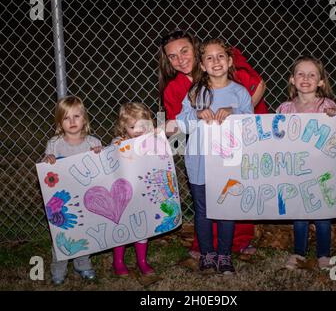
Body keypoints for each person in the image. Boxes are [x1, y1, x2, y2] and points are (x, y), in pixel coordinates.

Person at [159, 29, 267, 257]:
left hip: (234, 143)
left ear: (196, 50)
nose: (180, 60)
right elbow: (177, 125)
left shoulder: (220, 62)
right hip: (204, 150)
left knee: (232, 192)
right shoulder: (177, 89)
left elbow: (258, 85)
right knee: (205, 201)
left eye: (184, 51)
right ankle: (206, 246)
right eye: (173, 56)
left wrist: (232, 116)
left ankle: (238, 240)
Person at [176, 38, 254, 274]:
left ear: (230, 61)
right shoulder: (195, 93)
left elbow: (251, 125)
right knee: (203, 210)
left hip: (228, 164)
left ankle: (224, 254)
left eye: (220, 56)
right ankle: (208, 253)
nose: (215, 61)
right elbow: (181, 124)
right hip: (199, 162)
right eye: (209, 57)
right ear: (201, 65)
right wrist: (197, 114)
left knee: (226, 209)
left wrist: (234, 112)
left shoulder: (239, 93)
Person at [276, 55, 336, 270]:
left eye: (312, 75)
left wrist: (333, 117)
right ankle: (299, 253)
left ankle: (323, 255)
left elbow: (334, 135)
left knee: (323, 214)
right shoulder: (285, 109)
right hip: (295, 171)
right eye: (300, 74)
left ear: (321, 82)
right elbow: (276, 136)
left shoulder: (326, 106)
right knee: (299, 213)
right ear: (292, 79)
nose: (306, 78)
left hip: (321, 170)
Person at [43, 95, 102, 285]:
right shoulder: (55, 144)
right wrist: (48, 160)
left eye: (76, 116)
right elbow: (47, 170)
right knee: (62, 233)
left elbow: (105, 168)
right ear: (60, 122)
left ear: (84, 118)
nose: (72, 121)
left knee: (84, 230)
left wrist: (100, 155)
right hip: (62, 201)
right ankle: (58, 268)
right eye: (66, 118)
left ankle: (83, 264)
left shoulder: (93, 143)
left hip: (85, 197)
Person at [111, 102, 155, 276]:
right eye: (132, 126)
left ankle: (142, 261)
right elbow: (111, 162)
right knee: (121, 224)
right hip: (123, 193)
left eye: (142, 126)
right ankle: (118, 261)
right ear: (123, 127)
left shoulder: (152, 143)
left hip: (143, 192)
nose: (138, 130)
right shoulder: (118, 142)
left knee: (142, 225)